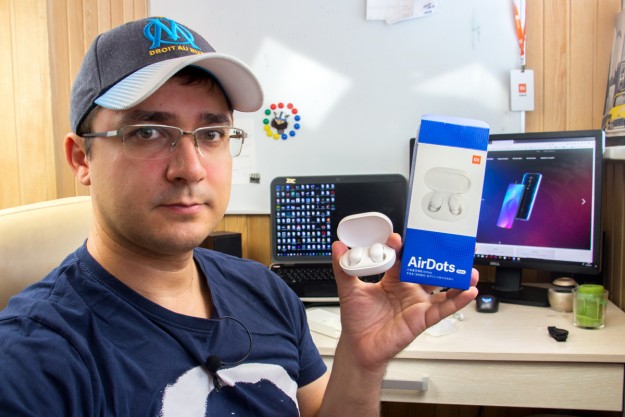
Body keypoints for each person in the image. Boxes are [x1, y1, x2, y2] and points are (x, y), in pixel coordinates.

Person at [0, 16, 478, 416]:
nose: (190, 168)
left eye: (211, 134)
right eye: (147, 132)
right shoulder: (31, 362)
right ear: (81, 159)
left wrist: (361, 360)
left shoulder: (266, 291)